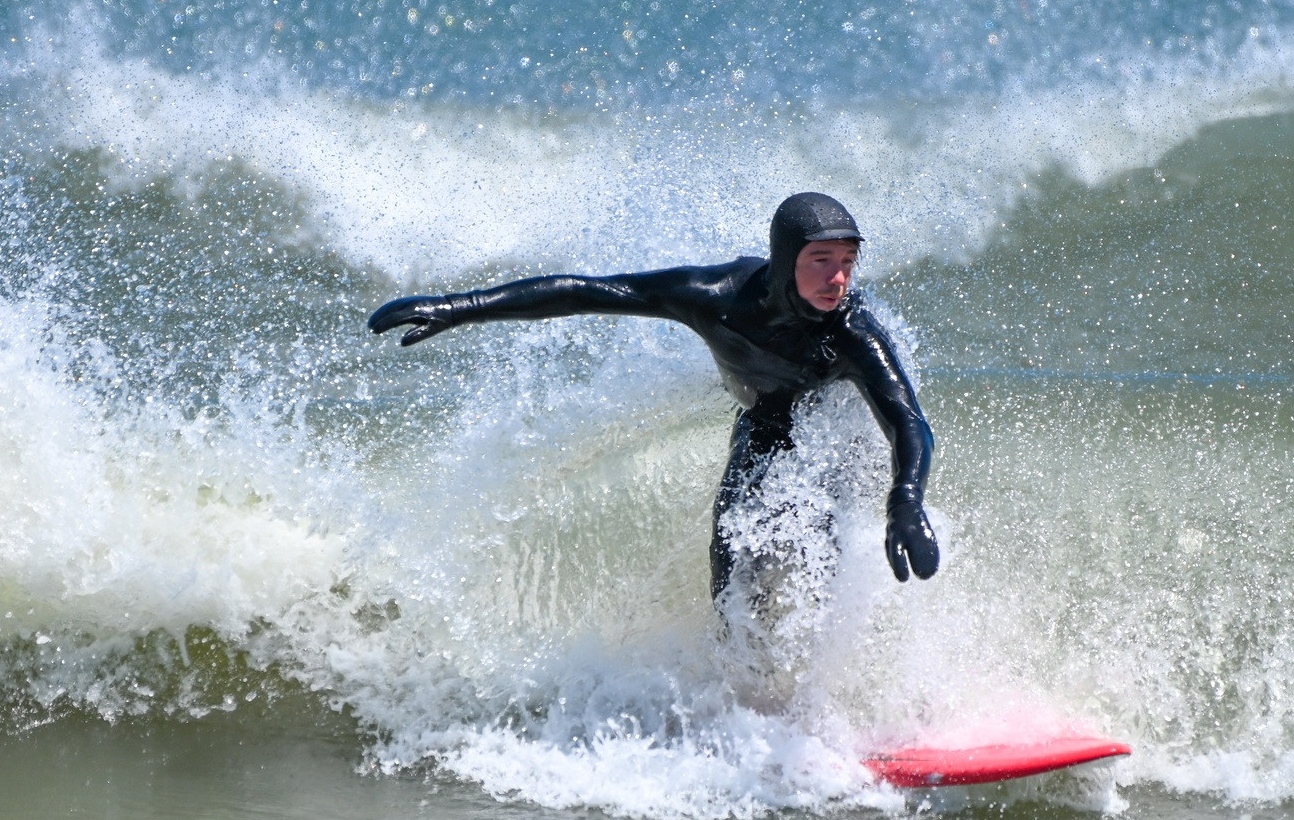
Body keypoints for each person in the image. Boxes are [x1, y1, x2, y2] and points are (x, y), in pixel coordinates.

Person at [367, 191, 939, 601]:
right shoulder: (716, 296)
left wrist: (905, 499)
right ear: (785, 258)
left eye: (847, 262)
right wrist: (461, 307)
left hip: (832, 429)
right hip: (766, 418)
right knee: (731, 559)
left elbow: (906, 420)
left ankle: (825, 689)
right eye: (821, 261)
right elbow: (588, 292)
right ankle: (739, 688)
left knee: (817, 550)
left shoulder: (852, 332)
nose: (838, 279)